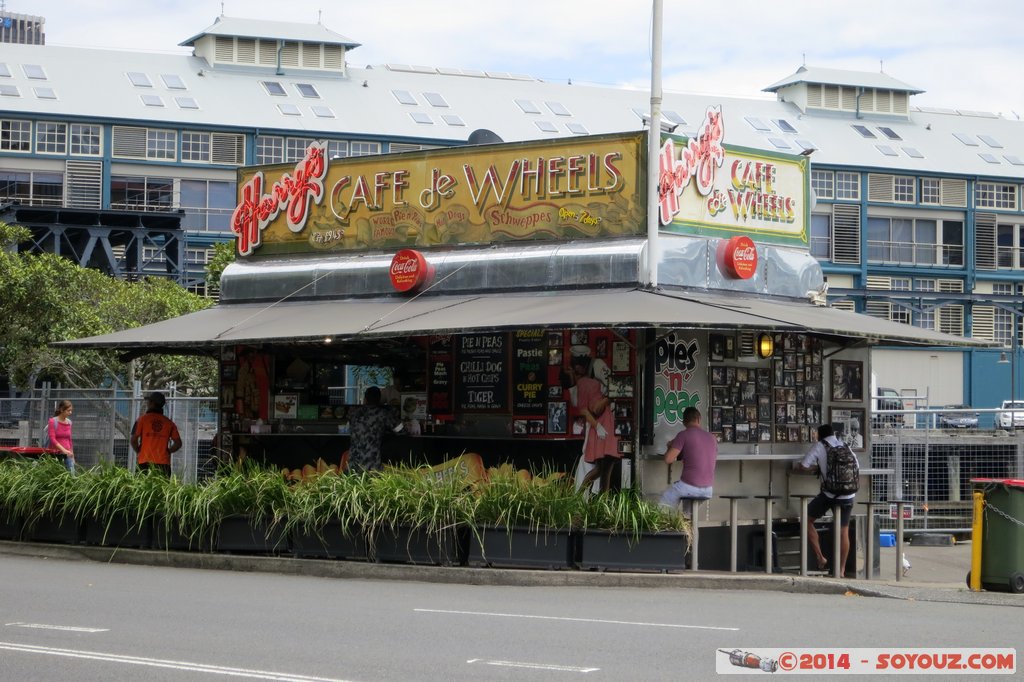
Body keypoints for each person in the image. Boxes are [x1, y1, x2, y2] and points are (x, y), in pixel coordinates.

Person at [793, 424, 861, 577]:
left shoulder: (820, 446)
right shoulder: (845, 445)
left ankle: (820, 557)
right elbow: (857, 466)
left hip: (829, 494)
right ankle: (841, 570)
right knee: (843, 531)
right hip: (848, 495)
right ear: (833, 434)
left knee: (806, 519)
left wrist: (816, 468)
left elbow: (804, 465)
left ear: (819, 435)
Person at [572, 351, 619, 493]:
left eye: (577, 366)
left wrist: (605, 400)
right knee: (600, 465)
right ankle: (584, 495)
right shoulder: (584, 382)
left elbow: (614, 384)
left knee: (604, 465)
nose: (576, 370)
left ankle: (591, 496)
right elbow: (586, 408)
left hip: (607, 418)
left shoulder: (597, 365)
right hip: (599, 421)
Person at [659, 406, 719, 508]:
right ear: (699, 419)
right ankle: (688, 518)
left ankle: (665, 518)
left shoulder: (683, 435)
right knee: (688, 513)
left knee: (664, 502)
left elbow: (668, 459)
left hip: (689, 486)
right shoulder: (712, 438)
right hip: (708, 489)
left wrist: (670, 446)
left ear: (684, 422)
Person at [347, 386, 403, 473]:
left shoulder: (354, 413)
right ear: (379, 399)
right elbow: (400, 430)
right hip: (372, 465)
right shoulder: (383, 414)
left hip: (352, 464)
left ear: (365, 399)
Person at [131, 392, 182, 475]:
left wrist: (139, 451)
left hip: (144, 462)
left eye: (149, 401)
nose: (147, 403)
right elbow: (178, 443)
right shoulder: (169, 423)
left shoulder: (141, 420)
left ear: (152, 403)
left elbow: (133, 440)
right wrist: (168, 451)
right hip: (163, 464)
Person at [48, 399, 75, 473]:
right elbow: (52, 439)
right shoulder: (53, 421)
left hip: (68, 454)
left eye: (71, 410)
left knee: (72, 475)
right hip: (55, 454)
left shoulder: (69, 422)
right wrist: (64, 450)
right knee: (55, 474)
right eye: (68, 410)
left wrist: (72, 456)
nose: (70, 412)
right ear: (62, 410)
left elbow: (69, 440)